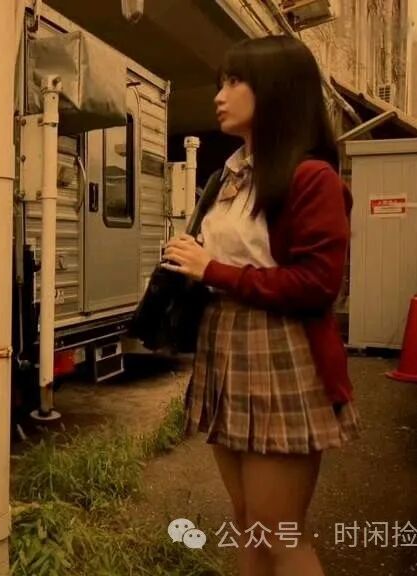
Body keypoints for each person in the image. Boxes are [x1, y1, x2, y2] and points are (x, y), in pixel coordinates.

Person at [163, 36, 360, 576]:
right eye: (221, 82)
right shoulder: (230, 176)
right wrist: (191, 259)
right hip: (225, 342)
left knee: (280, 530)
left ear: (275, 89)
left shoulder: (310, 177)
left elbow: (319, 284)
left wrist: (213, 269)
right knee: (249, 520)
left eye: (234, 81)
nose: (219, 95)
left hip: (280, 350)